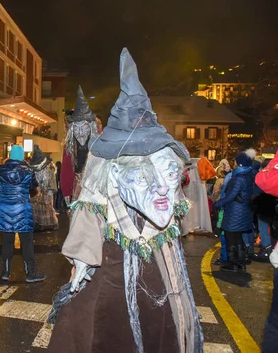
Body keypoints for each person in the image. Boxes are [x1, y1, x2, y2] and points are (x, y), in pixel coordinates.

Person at [48, 49, 202, 352]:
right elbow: (87, 225)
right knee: (111, 330)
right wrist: (80, 265)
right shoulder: (101, 178)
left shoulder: (162, 168)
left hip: (160, 274)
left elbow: (172, 215)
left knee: (158, 325)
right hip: (114, 276)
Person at [0, 145, 44, 283]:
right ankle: (30, 273)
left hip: (4, 209)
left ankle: (5, 272)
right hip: (22, 209)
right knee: (26, 242)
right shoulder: (28, 170)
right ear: (21, 156)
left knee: (7, 242)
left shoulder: (1, 169)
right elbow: (33, 187)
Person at [213, 151, 255, 272]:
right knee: (238, 238)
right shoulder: (248, 175)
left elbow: (230, 196)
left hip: (235, 212)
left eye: (236, 161)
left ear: (240, 163)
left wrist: (217, 204)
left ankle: (232, 264)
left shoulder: (238, 178)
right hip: (243, 211)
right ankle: (240, 263)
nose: (234, 162)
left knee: (230, 237)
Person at [61, 86, 99, 204]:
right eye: (77, 128)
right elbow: (66, 170)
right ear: (72, 129)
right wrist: (66, 192)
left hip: (96, 187)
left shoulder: (99, 145)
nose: (81, 133)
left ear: (91, 127)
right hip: (77, 188)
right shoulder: (70, 147)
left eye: (84, 127)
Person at [29, 145, 59, 231]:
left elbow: (51, 181)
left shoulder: (49, 171)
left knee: (47, 208)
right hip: (37, 193)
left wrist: (50, 191)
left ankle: (53, 223)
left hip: (46, 193)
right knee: (36, 208)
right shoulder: (35, 171)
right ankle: (37, 223)